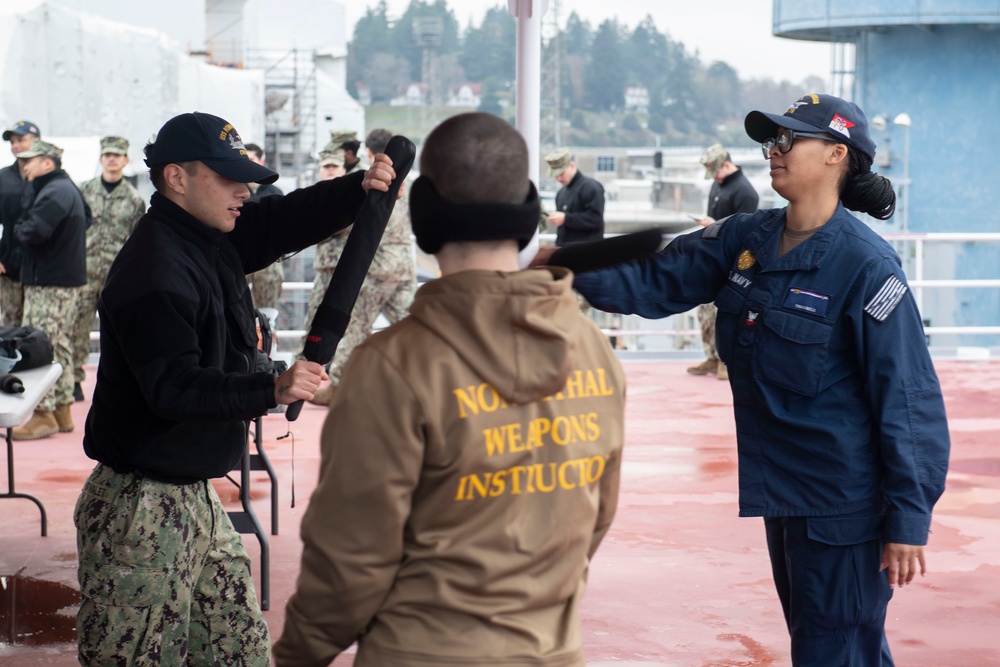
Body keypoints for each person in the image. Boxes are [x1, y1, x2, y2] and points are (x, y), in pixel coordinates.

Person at [537, 93, 950, 666]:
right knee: (838, 645)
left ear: (836, 154)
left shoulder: (867, 267)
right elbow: (658, 278)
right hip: (786, 494)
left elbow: (907, 398)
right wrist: (563, 266)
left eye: (787, 140)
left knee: (834, 651)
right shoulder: (747, 238)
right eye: (770, 141)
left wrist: (909, 517)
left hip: (842, 506)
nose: (773, 152)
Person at [274, 112, 626, 667]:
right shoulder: (593, 351)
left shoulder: (392, 368)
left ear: (426, 215)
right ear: (528, 212)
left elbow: (351, 559)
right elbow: (594, 520)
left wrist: (298, 654)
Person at [72, 111, 396, 665]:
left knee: (240, 652)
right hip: (140, 507)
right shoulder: (154, 271)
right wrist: (270, 387)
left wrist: (356, 190)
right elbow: (174, 389)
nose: (245, 191)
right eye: (229, 179)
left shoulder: (208, 234)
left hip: (192, 494)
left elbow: (279, 221)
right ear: (177, 177)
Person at [308, 127, 416, 406]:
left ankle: (340, 385)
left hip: (375, 268)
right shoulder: (410, 181)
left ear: (370, 153)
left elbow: (355, 226)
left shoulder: (374, 182)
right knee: (416, 325)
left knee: (354, 330)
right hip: (403, 266)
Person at [11, 140, 87, 440]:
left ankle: (44, 415)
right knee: (61, 346)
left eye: (31, 160)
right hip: (62, 279)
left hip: (50, 282)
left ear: (48, 162)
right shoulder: (65, 187)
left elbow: (34, 231)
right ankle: (62, 409)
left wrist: (18, 228)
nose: (25, 165)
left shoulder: (54, 191)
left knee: (41, 347)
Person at [72, 135, 147, 402]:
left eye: (117, 155)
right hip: (83, 272)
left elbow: (138, 240)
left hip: (116, 276)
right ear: (101, 158)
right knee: (78, 328)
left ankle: (115, 382)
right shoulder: (83, 191)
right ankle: (74, 380)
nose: (112, 159)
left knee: (117, 330)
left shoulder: (135, 199)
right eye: (107, 155)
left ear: (126, 160)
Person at [687, 143, 760, 381]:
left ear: (727, 165)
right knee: (705, 311)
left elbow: (746, 234)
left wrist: (715, 225)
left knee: (725, 313)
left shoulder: (745, 192)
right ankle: (711, 356)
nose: (715, 178)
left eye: (716, 172)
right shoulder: (718, 185)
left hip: (732, 263)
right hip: (713, 259)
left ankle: (725, 360)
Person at [0, 120, 41, 326]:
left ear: (37, 141)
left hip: (41, 269)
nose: (16, 145)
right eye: (12, 141)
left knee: (37, 330)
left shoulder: (49, 177)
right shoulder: (3, 178)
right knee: (10, 327)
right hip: (9, 267)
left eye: (21, 140)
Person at [243, 142, 284, 310]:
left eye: (251, 159)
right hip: (239, 256)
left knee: (267, 310)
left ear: (261, 161)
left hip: (267, 256)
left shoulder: (274, 192)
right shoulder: (234, 190)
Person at [544, 146, 605, 246]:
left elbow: (596, 219)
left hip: (587, 252)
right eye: (555, 175)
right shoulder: (561, 193)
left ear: (572, 165)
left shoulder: (591, 187)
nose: (559, 178)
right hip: (564, 250)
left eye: (561, 173)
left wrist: (565, 219)